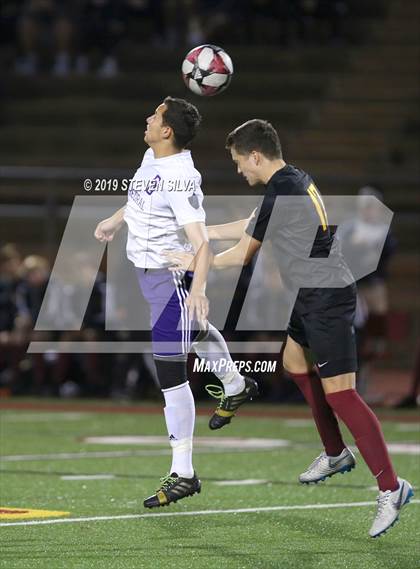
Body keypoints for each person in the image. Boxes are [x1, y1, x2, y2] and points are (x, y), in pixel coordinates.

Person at [164, 119, 413, 538]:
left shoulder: (281, 188)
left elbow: (244, 254)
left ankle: (391, 487)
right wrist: (199, 233)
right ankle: (335, 452)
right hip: (312, 293)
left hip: (326, 296)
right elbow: (249, 224)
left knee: (344, 395)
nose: (240, 170)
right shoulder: (292, 178)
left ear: (256, 155)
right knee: (294, 363)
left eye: (240, 161)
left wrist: (192, 259)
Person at [94, 97, 257, 509]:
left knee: (169, 371)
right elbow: (141, 197)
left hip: (170, 278)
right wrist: (117, 219)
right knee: (194, 332)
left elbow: (201, 242)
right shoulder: (152, 155)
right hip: (149, 278)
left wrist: (199, 288)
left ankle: (184, 472)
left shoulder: (182, 177)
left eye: (155, 116)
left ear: (167, 130)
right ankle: (236, 385)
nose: (148, 118)